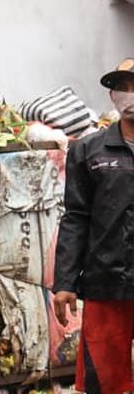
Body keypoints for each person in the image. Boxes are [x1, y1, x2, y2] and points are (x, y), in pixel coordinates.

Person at [53, 58, 134, 394]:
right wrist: (65, 281)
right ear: (112, 96)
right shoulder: (89, 150)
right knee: (106, 381)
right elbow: (76, 217)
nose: (129, 96)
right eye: (122, 88)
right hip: (106, 283)